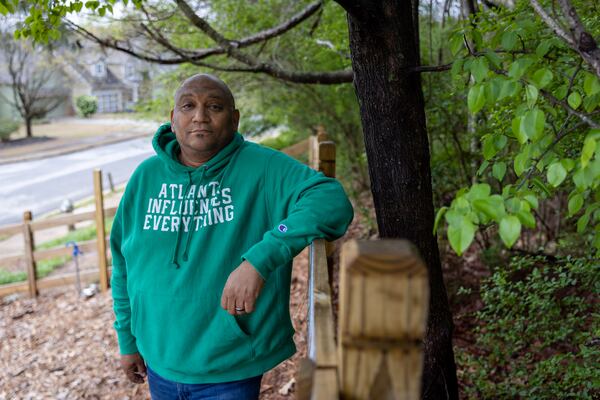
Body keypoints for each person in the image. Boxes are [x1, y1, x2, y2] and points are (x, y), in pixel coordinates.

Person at [110, 73, 353, 399]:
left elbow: (330, 200)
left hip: (229, 365)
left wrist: (262, 257)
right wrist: (128, 340)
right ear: (173, 118)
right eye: (188, 106)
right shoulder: (145, 178)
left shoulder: (262, 168)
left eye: (214, 106)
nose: (200, 116)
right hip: (158, 361)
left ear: (234, 119)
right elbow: (124, 264)